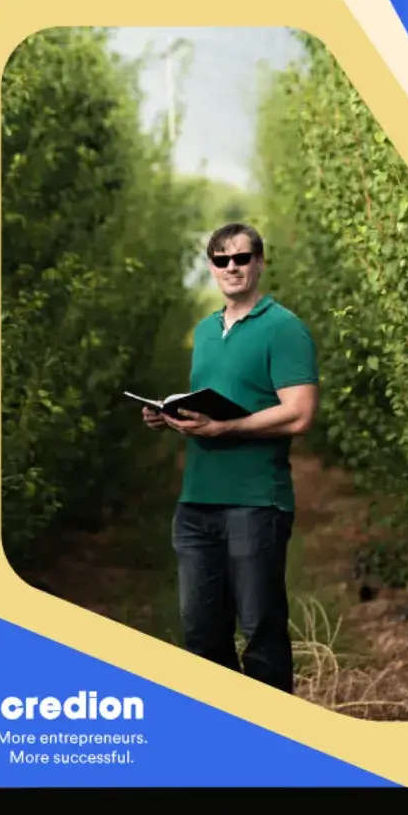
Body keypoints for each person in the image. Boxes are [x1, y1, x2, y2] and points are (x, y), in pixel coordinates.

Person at [139, 222, 318, 691]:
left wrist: (227, 427)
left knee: (261, 633)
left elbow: (299, 413)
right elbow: (212, 407)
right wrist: (169, 416)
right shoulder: (204, 331)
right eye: (222, 260)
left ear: (260, 262)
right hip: (196, 504)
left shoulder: (284, 328)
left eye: (242, 258)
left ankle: (273, 730)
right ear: (212, 267)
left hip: (255, 501)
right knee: (201, 637)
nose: (232, 267)